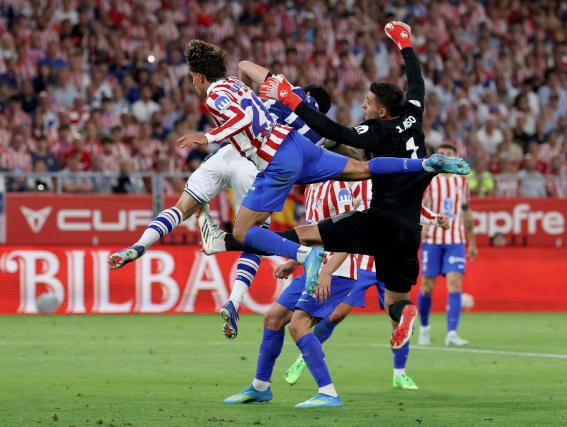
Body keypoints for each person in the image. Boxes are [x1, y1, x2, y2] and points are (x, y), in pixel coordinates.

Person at [201, 22, 469, 350]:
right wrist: (405, 45)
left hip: (378, 221)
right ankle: (407, 312)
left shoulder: (377, 132)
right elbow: (417, 83)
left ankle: (225, 241)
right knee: (395, 302)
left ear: (382, 112)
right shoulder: (414, 115)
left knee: (303, 235)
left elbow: (335, 131)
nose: (363, 107)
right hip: (409, 231)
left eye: (368, 103)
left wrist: (290, 99)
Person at [108, 63, 334, 341]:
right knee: (254, 236)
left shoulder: (288, 91)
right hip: (259, 164)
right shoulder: (323, 131)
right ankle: (234, 301)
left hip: (228, 152)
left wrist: (243, 88)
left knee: (181, 209)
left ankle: (139, 245)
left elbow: (244, 68)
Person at [282, 179, 449, 391]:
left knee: (394, 322)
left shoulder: (371, 180)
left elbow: (411, 208)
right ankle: (303, 358)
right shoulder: (353, 182)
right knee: (337, 314)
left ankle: (400, 373)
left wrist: (435, 219)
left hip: (377, 258)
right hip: (365, 261)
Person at [223, 179, 359, 408]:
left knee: (298, 325)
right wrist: (294, 262)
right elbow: (317, 235)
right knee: (273, 318)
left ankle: (328, 393)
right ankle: (260, 387)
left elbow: (350, 232)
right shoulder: (312, 187)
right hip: (313, 267)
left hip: (336, 271)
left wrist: (326, 271)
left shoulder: (338, 186)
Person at [418, 144, 478, 347]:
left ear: (455, 157)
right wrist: (422, 227)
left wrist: (473, 242)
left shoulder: (462, 181)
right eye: (441, 154)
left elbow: (466, 211)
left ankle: (452, 333)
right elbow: (420, 205)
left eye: (449, 154)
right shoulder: (429, 179)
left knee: (455, 283)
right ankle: (424, 328)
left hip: (456, 240)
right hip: (432, 240)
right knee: (427, 286)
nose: (444, 157)